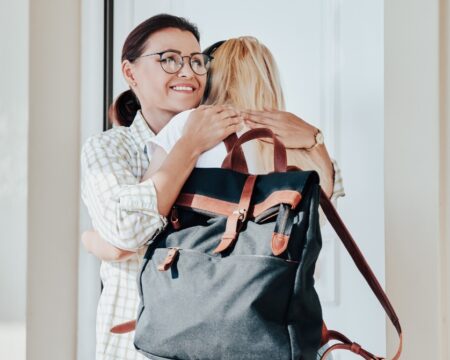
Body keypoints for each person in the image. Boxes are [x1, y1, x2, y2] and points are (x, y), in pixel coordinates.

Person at [81, 15, 339, 359]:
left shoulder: (198, 134)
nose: (187, 72)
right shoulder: (112, 148)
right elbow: (129, 230)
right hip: (163, 343)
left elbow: (126, 240)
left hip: (206, 335)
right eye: (168, 60)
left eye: (195, 61)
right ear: (130, 73)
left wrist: (313, 138)